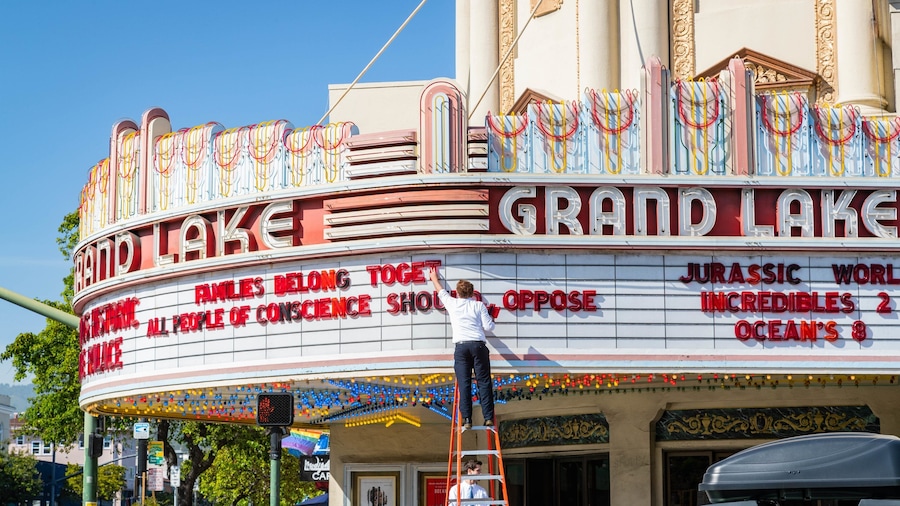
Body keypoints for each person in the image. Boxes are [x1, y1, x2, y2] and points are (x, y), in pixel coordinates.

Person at [429, 266, 496, 429]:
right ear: (472, 293)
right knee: (484, 382)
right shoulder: (479, 306)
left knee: (464, 383)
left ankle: (467, 419)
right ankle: (488, 418)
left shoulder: (452, 303)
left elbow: (441, 291)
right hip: (478, 346)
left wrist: (434, 278)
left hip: (461, 347)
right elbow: (489, 327)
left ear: (457, 293)